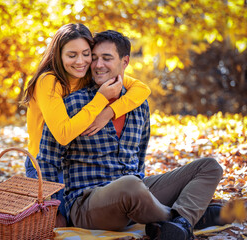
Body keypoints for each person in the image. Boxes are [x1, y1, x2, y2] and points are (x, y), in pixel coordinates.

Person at [37, 30, 226, 240]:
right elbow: (47, 160)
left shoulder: (138, 105)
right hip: (88, 203)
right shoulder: (72, 103)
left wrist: (143, 189)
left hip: (135, 190)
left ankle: (181, 222)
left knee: (209, 166)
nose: (98, 65)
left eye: (107, 58)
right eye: (95, 58)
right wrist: (53, 211)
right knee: (130, 185)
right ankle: (186, 217)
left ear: (124, 61)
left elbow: (140, 156)